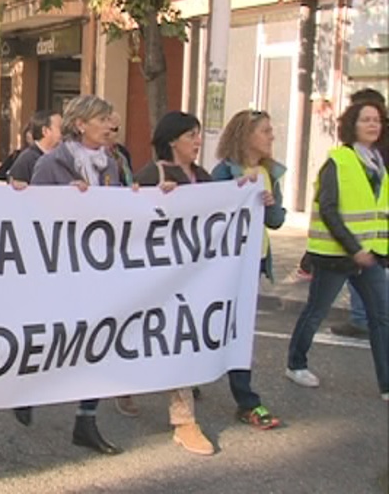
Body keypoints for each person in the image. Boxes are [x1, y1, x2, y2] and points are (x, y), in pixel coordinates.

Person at [22, 95, 123, 456]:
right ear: (81, 124)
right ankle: (27, 388)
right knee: (54, 338)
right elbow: (30, 212)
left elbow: (122, 210)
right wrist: (63, 200)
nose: (110, 124)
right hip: (60, 267)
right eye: (102, 118)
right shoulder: (52, 164)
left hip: (98, 268)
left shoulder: (112, 164)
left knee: (96, 340)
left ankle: (86, 419)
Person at [123, 111, 217, 456]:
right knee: (144, 335)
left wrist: (252, 198)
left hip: (193, 280)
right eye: (191, 135)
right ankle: (134, 388)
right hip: (155, 280)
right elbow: (127, 220)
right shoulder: (152, 174)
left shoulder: (204, 177)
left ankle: (183, 419)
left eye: (198, 135)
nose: (197, 142)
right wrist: (152, 199)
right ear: (173, 139)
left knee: (180, 341)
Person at [286, 99, 388, 401]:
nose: (373, 125)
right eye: (366, 119)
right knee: (316, 311)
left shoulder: (378, 164)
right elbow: (329, 210)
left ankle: (386, 384)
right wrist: (352, 248)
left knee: (381, 317)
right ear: (351, 125)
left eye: (377, 120)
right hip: (336, 256)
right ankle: (295, 363)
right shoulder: (338, 161)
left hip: (369, 256)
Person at [210, 109, 285, 430]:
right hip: (225, 265)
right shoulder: (224, 172)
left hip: (253, 264)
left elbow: (277, 221)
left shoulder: (269, 172)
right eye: (265, 131)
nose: (271, 136)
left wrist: (269, 204)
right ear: (246, 136)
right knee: (217, 326)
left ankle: (246, 399)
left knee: (238, 331)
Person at [330, 88, 389, 338]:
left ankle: (361, 318)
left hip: (369, 229)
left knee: (361, 269)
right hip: (373, 228)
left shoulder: (371, 148)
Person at [5, 112, 62, 183]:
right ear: (45, 131)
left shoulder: (63, 157)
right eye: (60, 127)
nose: (64, 132)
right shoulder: (27, 158)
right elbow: (15, 188)